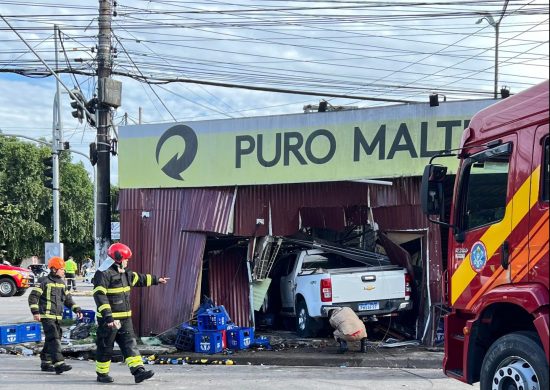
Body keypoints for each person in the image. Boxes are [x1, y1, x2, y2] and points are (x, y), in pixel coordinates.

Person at [93, 243, 169, 383]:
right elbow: (99, 296)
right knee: (105, 347)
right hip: (109, 320)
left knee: (130, 344)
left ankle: (138, 371)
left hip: (125, 318)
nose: (127, 261)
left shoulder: (124, 272)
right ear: (118, 258)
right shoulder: (103, 273)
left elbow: (138, 278)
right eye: (126, 259)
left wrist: (156, 280)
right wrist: (108, 317)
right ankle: (102, 374)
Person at [28, 256, 83, 373]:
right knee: (54, 338)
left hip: (57, 317)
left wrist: (77, 310)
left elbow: (68, 300)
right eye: (61, 269)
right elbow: (33, 297)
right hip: (46, 316)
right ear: (54, 269)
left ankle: (46, 362)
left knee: (51, 339)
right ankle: (59, 363)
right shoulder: (44, 282)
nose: (64, 271)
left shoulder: (62, 284)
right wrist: (35, 312)